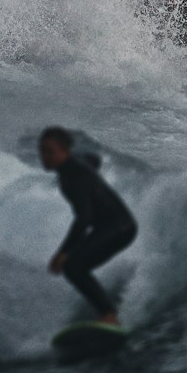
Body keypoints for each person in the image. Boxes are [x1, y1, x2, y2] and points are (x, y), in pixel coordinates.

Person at [39, 126, 137, 324]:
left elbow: (83, 219)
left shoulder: (74, 177)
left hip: (119, 227)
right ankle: (107, 312)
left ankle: (109, 315)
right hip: (110, 225)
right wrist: (93, 180)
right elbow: (93, 159)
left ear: (64, 151)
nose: (44, 157)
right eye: (42, 151)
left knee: (73, 267)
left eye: (50, 152)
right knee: (77, 267)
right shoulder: (74, 164)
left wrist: (62, 252)